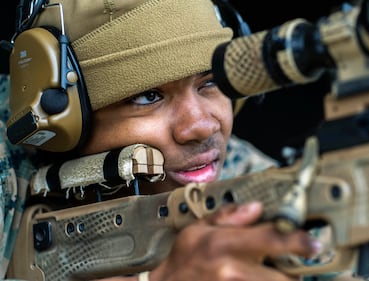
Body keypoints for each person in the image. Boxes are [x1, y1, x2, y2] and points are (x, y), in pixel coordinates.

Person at [1, 0, 326, 280]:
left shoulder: (243, 174)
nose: (200, 127)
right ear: (60, 119)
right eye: (149, 96)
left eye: (209, 82)